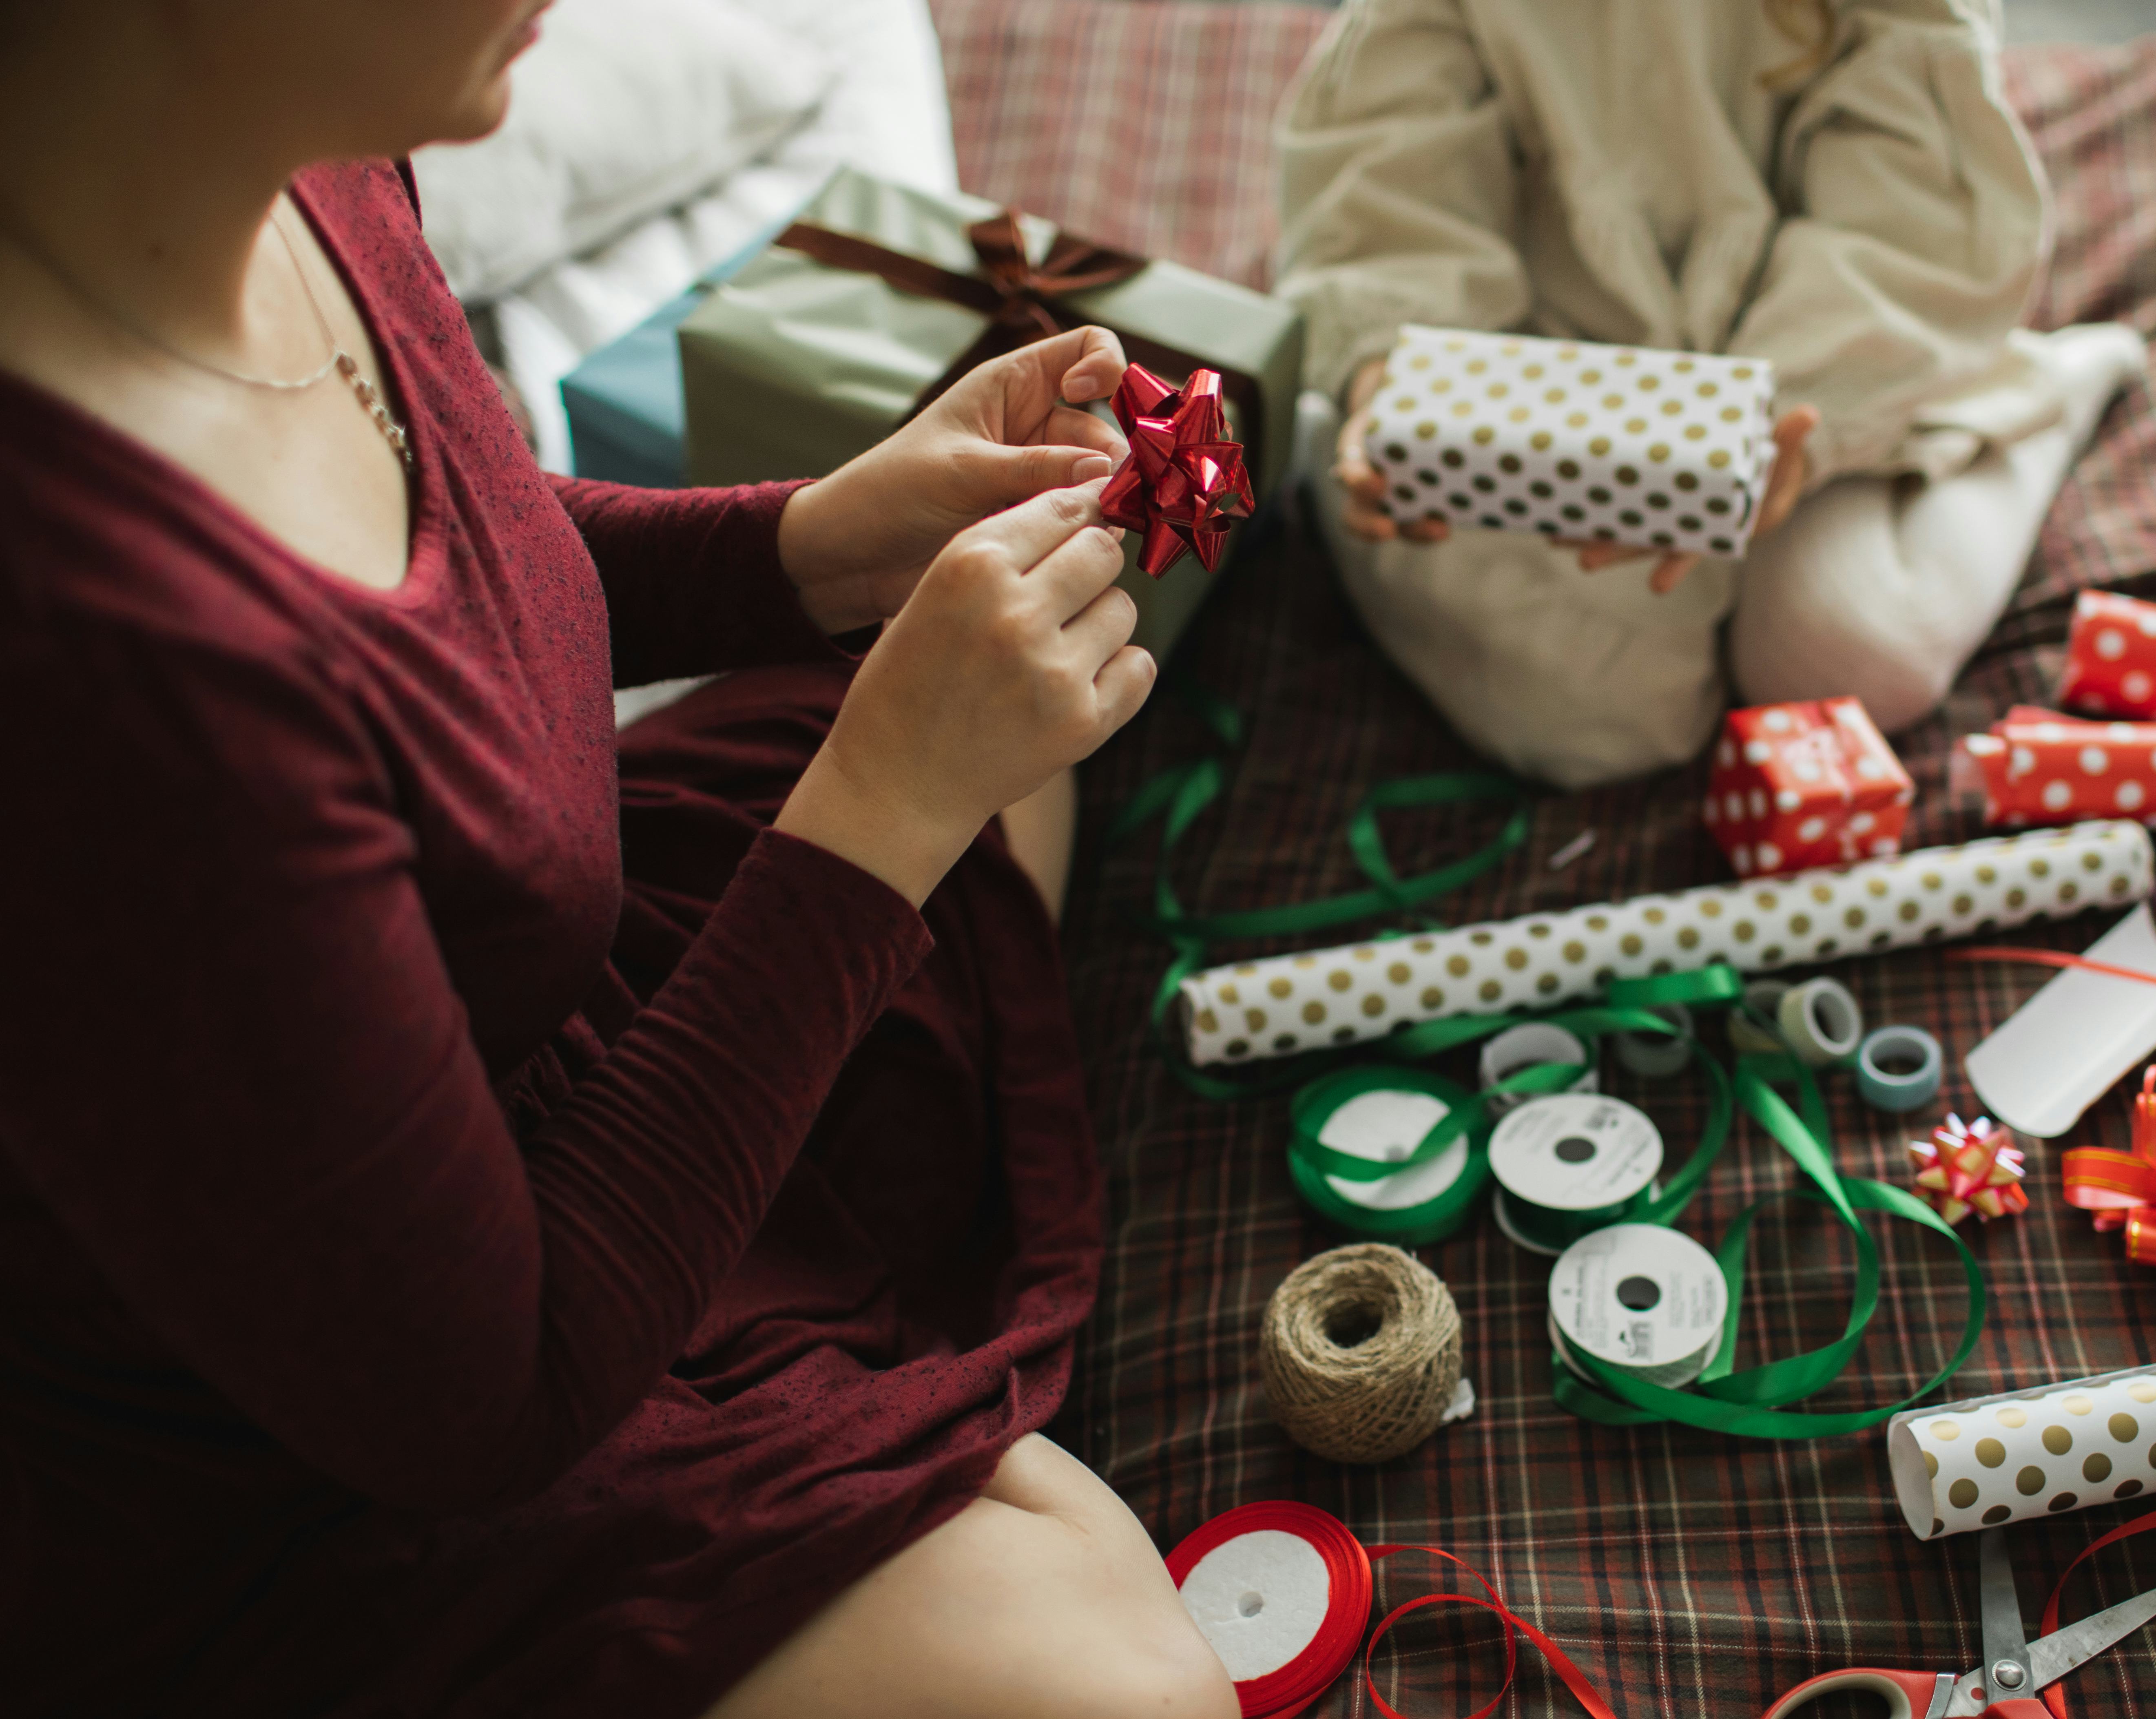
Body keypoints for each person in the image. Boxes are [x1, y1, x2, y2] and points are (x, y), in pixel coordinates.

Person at [0, 4, 1235, 1717]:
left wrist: (809, 545)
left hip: (510, 989)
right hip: (342, 1442)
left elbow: (448, 543)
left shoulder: (292, 144)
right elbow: (482, 1404)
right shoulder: (97, 672)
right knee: (1117, 1685)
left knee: (1016, 764)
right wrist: (883, 799)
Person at [1279, 0, 2148, 790]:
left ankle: (2046, 397)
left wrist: (1779, 421)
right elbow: (1391, 177)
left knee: (1851, 651)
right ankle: (1337, 429)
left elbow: (1902, 218)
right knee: (1611, 718)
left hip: (1827, 357)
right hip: (1540, 354)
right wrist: (1393, 370)